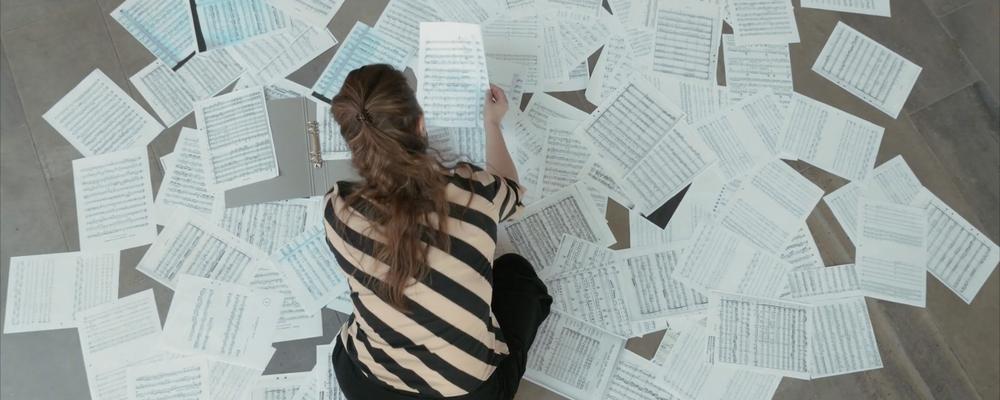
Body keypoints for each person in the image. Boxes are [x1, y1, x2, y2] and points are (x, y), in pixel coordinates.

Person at [322, 63, 553, 400]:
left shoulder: (337, 206)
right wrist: (492, 123)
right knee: (518, 275)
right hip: (466, 394)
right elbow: (513, 193)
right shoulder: (473, 193)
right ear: (420, 123)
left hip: (365, 383)